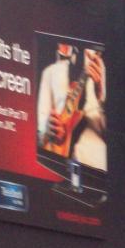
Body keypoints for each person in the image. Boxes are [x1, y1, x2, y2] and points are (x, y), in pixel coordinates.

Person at [36, 42, 106, 170]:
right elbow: (39, 132)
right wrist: (48, 129)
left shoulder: (103, 69)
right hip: (56, 165)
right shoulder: (50, 72)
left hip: (96, 167)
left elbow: (118, 136)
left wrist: (101, 96)